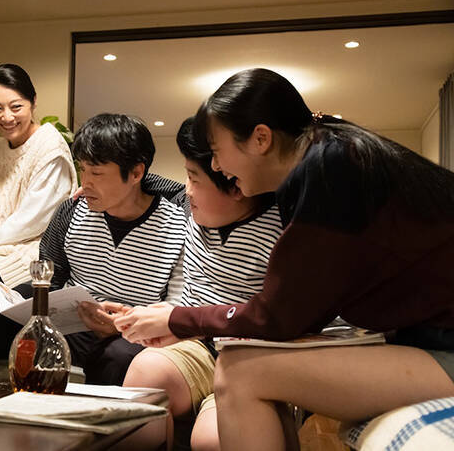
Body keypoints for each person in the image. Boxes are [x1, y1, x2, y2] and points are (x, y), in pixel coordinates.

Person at [115, 68, 454, 450]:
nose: (217, 166)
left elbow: (278, 316)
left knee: (240, 372)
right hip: (424, 339)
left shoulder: (329, 170)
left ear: (260, 138)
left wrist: (178, 319)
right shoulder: (332, 151)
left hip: (442, 345)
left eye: (217, 151)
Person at [122, 117, 283, 450]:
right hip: (196, 344)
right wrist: (104, 187)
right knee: (144, 376)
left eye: (194, 179)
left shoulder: (281, 228)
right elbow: (158, 183)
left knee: (212, 438)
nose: (187, 189)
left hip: (254, 355)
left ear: (236, 183)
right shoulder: (193, 209)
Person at [39, 113, 187, 385]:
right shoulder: (72, 211)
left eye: (96, 173)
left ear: (136, 173)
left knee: (117, 357)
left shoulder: (177, 224)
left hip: (135, 334)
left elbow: (177, 304)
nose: (85, 182)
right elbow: (49, 278)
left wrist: (122, 326)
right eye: (82, 169)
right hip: (75, 325)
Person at [0, 63, 78, 287]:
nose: (7, 117)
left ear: (33, 102)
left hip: (34, 258)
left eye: (16, 107)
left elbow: (32, 223)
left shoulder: (50, 147)